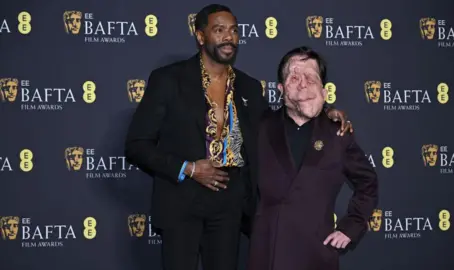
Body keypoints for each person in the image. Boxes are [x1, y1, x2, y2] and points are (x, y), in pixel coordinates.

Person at [124, 4, 353, 270]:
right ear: (200, 36)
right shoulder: (168, 79)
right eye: (219, 30)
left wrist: (323, 112)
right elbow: (137, 144)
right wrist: (189, 168)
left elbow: (280, 121)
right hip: (180, 204)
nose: (228, 37)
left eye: (233, 30)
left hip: (230, 206)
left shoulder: (249, 86)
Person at [246, 46, 379, 270]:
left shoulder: (338, 133)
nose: (303, 83)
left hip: (315, 254)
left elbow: (368, 182)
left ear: (324, 88)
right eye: (294, 77)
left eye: (311, 77)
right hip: (267, 252)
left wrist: (352, 226)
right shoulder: (259, 127)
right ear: (281, 88)